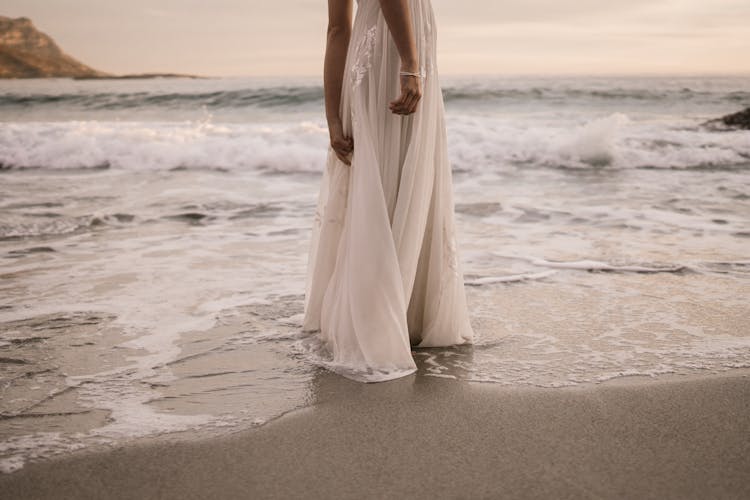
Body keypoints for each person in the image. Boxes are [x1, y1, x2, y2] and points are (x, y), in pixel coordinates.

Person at [302, 0, 474, 382]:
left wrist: (333, 116)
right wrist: (411, 63)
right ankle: (389, 324)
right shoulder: (406, 60)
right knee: (400, 179)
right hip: (393, 59)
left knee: (381, 183)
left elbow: (337, 29)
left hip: (371, 61)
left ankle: (380, 317)